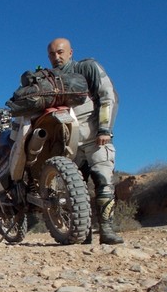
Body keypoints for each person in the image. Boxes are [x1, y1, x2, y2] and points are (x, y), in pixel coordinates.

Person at [46, 37, 124, 244]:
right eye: (52, 54)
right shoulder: (48, 80)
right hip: (68, 144)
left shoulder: (87, 67)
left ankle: (107, 229)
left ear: (70, 52)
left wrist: (104, 129)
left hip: (94, 138)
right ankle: (83, 233)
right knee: (74, 190)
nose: (56, 57)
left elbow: (107, 96)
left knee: (103, 181)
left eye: (60, 52)